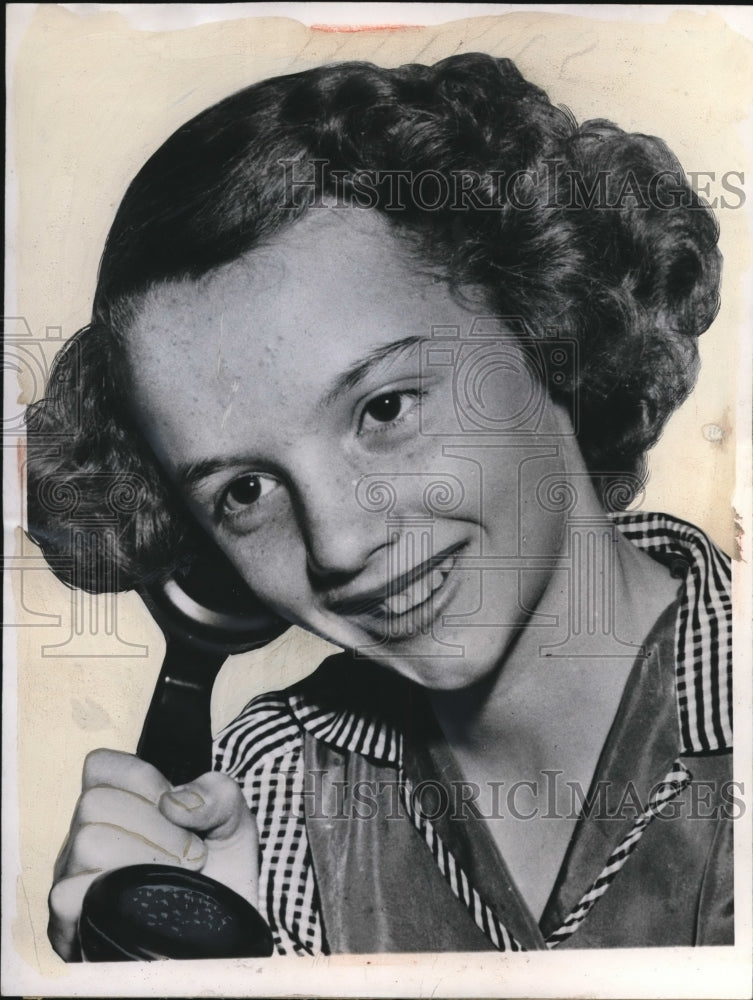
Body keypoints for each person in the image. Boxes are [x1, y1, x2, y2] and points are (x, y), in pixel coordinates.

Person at [26, 53, 733, 958]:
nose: (341, 541)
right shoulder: (267, 790)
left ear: (545, 320)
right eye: (243, 491)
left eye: (385, 408)